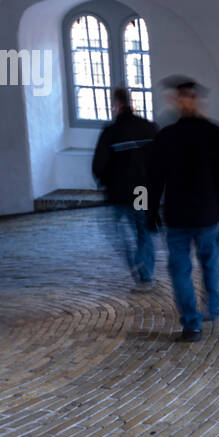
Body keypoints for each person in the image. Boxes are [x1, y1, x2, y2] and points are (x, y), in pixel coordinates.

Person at [146, 78, 219, 342]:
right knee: (210, 262)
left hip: (178, 216)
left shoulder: (166, 136)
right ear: (197, 101)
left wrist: (150, 210)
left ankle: (191, 324)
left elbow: (154, 178)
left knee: (180, 271)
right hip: (207, 214)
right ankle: (213, 308)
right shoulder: (215, 133)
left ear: (177, 102)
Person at [91, 87, 159, 288]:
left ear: (117, 105)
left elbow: (98, 166)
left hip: (119, 193)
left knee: (114, 229)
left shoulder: (111, 132)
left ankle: (135, 264)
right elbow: (158, 162)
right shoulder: (148, 128)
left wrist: (105, 183)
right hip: (141, 191)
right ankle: (145, 272)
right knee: (142, 230)